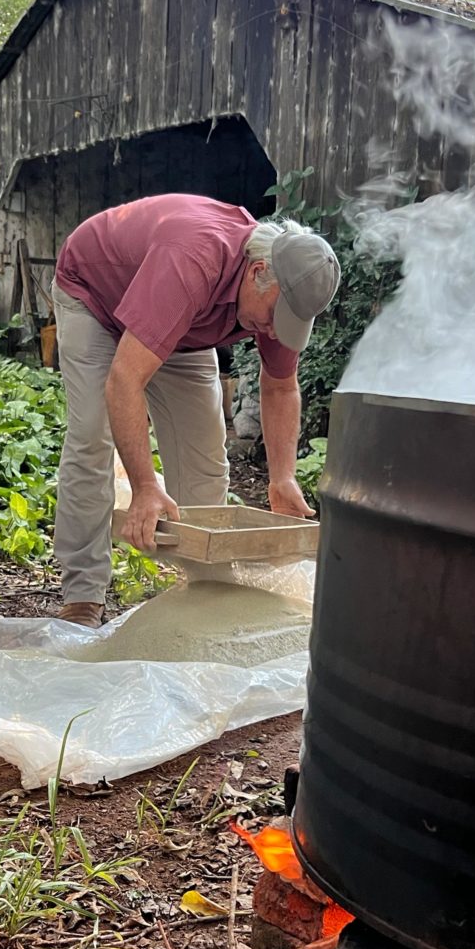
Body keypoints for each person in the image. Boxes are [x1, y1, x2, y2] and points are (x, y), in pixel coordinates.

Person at [51, 193, 341, 626]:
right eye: (273, 315)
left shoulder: (282, 293)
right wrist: (145, 486)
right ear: (258, 272)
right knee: (93, 435)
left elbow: (280, 387)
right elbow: (124, 381)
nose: (274, 329)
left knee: (204, 455)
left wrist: (282, 478)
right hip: (96, 298)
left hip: (184, 321)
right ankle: (83, 595)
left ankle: (207, 587)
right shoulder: (193, 261)